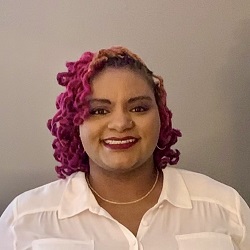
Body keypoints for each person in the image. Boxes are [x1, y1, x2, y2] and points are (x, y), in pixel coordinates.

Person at [0, 46, 249, 250]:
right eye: (99, 111)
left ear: (161, 116)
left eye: (138, 108)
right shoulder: (24, 218)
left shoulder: (225, 207)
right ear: (75, 124)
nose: (121, 123)